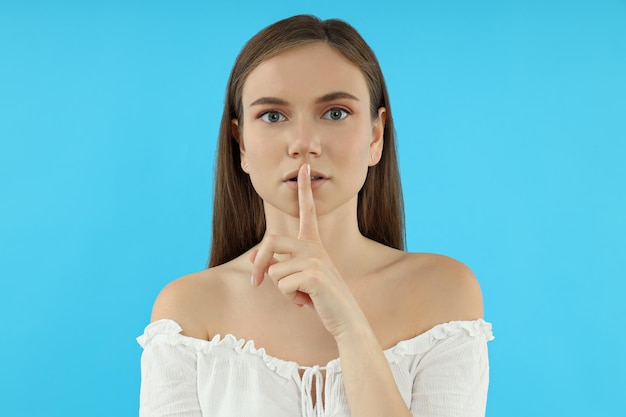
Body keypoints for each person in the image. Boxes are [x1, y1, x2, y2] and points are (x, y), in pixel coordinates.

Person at [137, 14, 493, 417]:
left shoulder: (443, 293)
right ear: (241, 146)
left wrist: (350, 325)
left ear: (376, 136)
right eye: (273, 116)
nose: (304, 143)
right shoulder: (187, 312)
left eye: (336, 113)